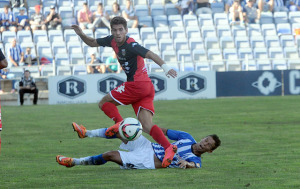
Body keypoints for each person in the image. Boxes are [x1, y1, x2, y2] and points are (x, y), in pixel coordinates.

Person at [71, 16, 178, 168]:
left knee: (104, 103)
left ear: (126, 30)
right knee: (147, 126)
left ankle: (120, 126)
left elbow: (150, 54)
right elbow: (93, 42)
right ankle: (168, 147)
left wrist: (166, 67)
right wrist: (81, 34)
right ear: (111, 31)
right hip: (146, 88)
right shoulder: (111, 41)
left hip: (137, 84)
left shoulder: (131, 44)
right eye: (114, 30)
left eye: (121, 30)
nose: (118, 33)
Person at [56, 122, 221, 169]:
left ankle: (74, 162)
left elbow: (194, 165)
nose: (204, 143)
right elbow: (163, 131)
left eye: (208, 145)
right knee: (124, 129)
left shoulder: (195, 160)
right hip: (149, 146)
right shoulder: (187, 137)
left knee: (110, 155)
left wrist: (187, 164)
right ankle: (86, 133)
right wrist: (146, 128)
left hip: (148, 160)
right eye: (205, 140)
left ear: (210, 151)